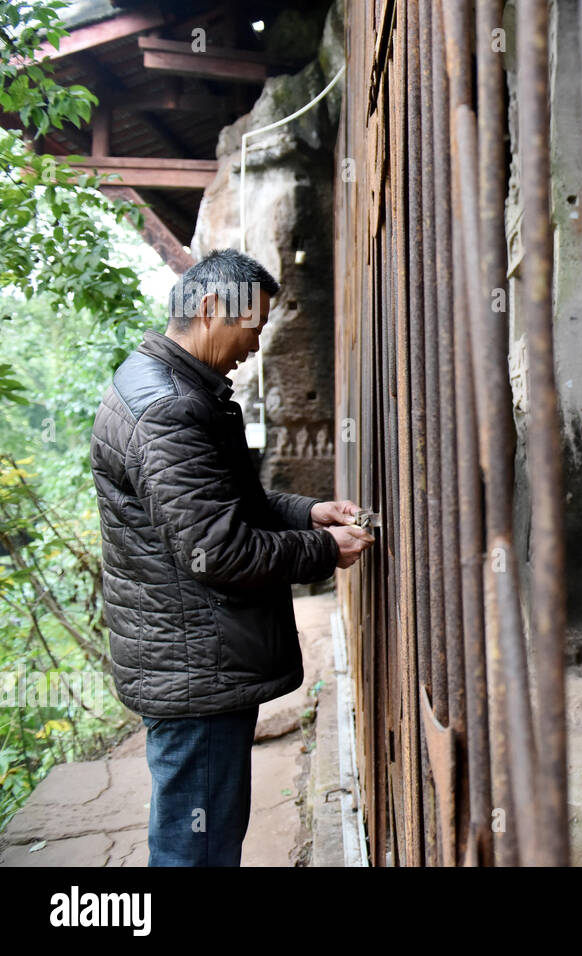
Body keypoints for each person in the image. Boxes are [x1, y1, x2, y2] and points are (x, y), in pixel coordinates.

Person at [89, 248, 374, 866]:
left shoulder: (172, 387)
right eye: (256, 323)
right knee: (198, 847)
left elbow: (222, 498)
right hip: (195, 669)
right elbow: (217, 549)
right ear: (215, 308)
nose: (258, 340)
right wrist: (324, 548)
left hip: (191, 660)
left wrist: (307, 512)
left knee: (201, 834)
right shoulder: (167, 406)